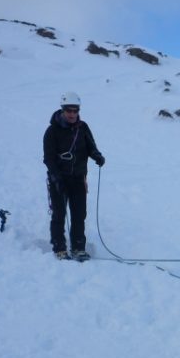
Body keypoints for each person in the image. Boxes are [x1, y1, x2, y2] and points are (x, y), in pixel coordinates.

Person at [43, 91, 105, 260]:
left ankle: (78, 248)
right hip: (59, 180)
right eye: (68, 110)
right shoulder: (51, 131)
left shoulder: (83, 127)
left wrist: (97, 156)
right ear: (62, 110)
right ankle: (60, 248)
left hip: (78, 178)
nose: (72, 114)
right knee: (59, 214)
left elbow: (90, 146)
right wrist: (56, 179)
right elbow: (48, 159)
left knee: (79, 214)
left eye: (75, 110)